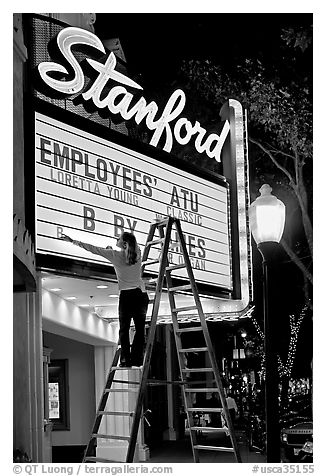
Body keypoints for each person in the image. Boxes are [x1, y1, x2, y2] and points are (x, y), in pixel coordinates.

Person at [60, 231, 149, 367]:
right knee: (140, 329)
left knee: (124, 330)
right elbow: (130, 249)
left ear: (124, 244)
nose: (116, 239)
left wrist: (72, 241)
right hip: (140, 295)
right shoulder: (138, 253)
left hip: (127, 296)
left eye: (118, 238)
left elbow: (93, 249)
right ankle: (137, 360)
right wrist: (113, 249)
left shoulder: (114, 255)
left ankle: (126, 360)